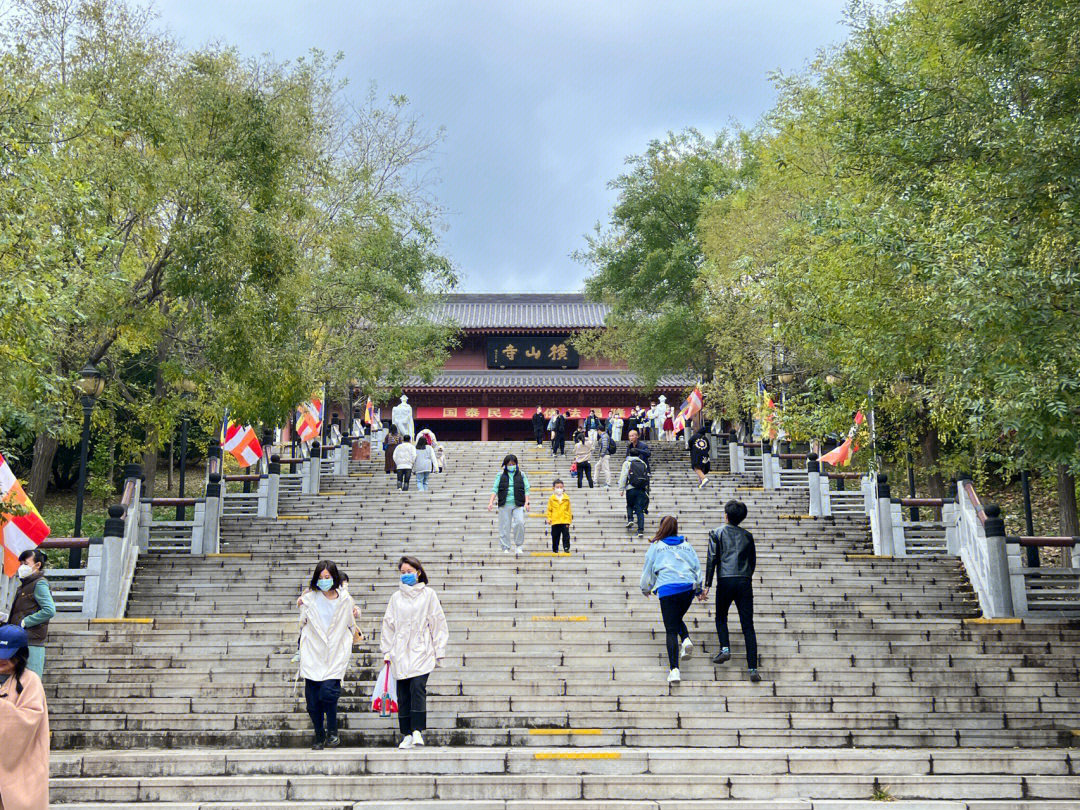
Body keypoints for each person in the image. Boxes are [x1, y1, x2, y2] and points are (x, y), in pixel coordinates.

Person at [381, 556, 449, 749]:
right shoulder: (395, 598)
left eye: (409, 572)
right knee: (403, 693)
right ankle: (407, 734)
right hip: (400, 651)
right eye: (403, 573)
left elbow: (438, 622)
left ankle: (418, 730)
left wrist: (439, 650)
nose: (406, 575)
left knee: (417, 687)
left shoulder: (429, 595)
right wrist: (387, 650)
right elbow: (388, 624)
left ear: (418, 572)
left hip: (422, 649)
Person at [298, 561, 358, 750]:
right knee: (313, 702)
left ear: (335, 577)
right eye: (321, 578)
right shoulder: (309, 599)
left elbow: (351, 622)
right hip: (313, 653)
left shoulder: (345, 599)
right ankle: (319, 734)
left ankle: (332, 731)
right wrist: (302, 600)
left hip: (335, 653)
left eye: (328, 577)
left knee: (329, 694)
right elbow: (302, 623)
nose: (324, 581)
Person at [702, 500, 760, 682]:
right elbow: (752, 561)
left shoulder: (716, 533)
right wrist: (747, 576)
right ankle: (752, 669)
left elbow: (712, 559)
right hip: (743, 580)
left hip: (725, 580)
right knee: (748, 625)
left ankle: (725, 648)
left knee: (721, 617)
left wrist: (707, 584)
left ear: (726, 515)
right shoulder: (748, 536)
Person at [640, 516, 703, 684]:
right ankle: (686, 639)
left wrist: (645, 587)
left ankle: (674, 670)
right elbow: (697, 567)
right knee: (675, 618)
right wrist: (699, 589)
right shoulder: (687, 546)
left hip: (668, 588)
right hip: (687, 588)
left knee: (670, 628)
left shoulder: (656, 546)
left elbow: (648, 568)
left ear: (662, 528)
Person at [0, 624, 49, 810]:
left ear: (20, 654)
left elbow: (28, 721)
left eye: (8, 654)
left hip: (22, 770)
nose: (1, 659)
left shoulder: (30, 682)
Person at [5, 550, 55, 679]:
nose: (22, 566)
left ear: (37, 565)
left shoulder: (39, 583)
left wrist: (26, 621)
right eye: (21, 563)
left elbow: (49, 610)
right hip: (21, 640)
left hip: (32, 641)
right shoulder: (24, 585)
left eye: (25, 563)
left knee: (30, 683)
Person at [486, 454, 531, 554]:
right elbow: (495, 489)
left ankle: (519, 546)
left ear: (516, 464)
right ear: (505, 465)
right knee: (504, 526)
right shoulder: (500, 475)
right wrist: (491, 502)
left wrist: (527, 502)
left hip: (518, 504)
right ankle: (505, 547)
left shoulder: (522, 474)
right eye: (509, 464)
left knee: (519, 523)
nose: (511, 465)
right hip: (504, 504)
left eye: (513, 464)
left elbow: (526, 489)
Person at [618, 447, 651, 536]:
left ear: (629, 454)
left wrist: (621, 489)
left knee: (629, 505)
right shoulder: (643, 463)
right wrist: (647, 490)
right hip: (641, 488)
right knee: (640, 509)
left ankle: (630, 519)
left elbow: (624, 476)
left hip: (631, 488)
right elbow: (646, 476)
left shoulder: (627, 463)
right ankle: (640, 530)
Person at [544, 478, 573, 553]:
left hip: (565, 520)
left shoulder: (566, 498)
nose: (559, 489)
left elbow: (569, 510)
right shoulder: (551, 498)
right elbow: (549, 510)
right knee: (555, 536)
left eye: (561, 487)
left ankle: (566, 547)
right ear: (553, 488)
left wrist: (569, 520)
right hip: (555, 520)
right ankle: (555, 548)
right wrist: (549, 518)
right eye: (557, 487)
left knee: (566, 535)